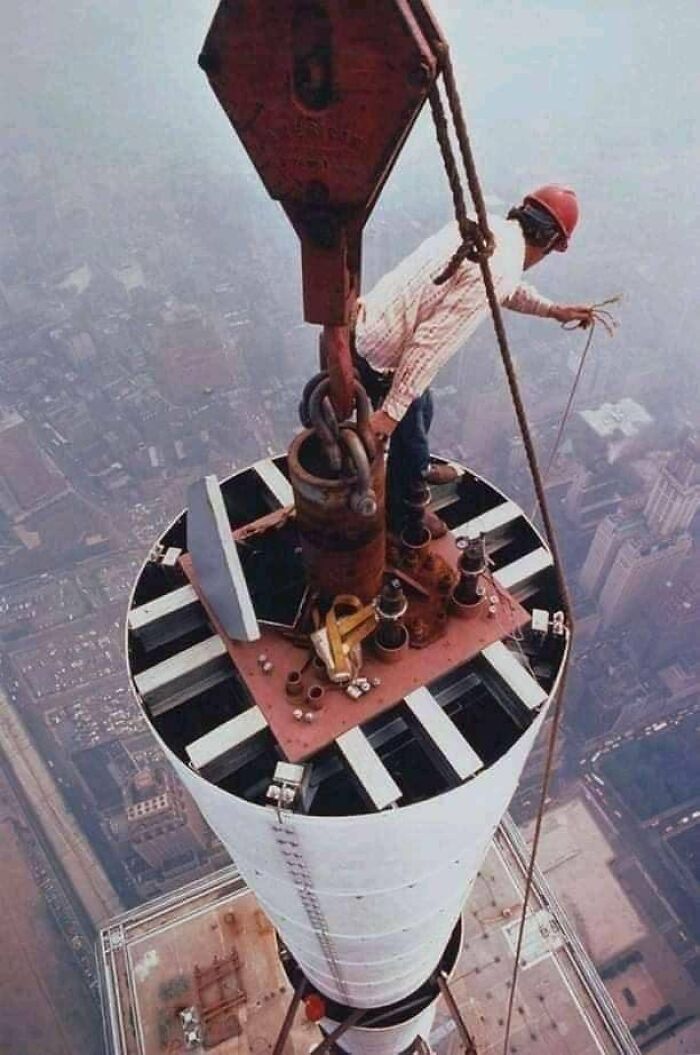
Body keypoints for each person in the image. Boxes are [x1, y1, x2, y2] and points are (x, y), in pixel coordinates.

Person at [353, 185, 593, 537]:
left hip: (371, 323)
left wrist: (553, 310)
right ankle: (406, 516)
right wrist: (389, 414)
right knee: (411, 430)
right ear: (552, 242)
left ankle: (415, 468)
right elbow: (431, 342)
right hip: (382, 354)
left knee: (423, 408)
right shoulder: (500, 263)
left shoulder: (489, 231)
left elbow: (505, 289)